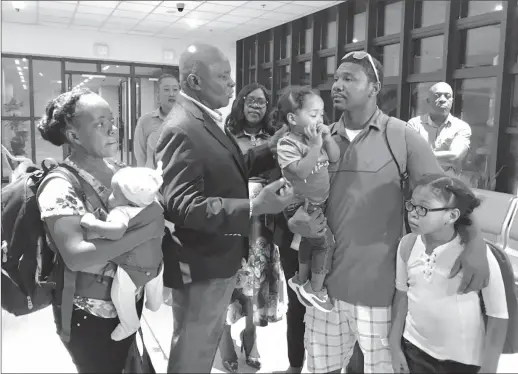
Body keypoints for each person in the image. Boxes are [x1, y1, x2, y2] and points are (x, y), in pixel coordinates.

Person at [295, 51, 490, 374]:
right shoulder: (321, 138)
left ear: (374, 87)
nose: (338, 86)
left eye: (349, 78)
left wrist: (477, 245)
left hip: (379, 291)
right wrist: (294, 220)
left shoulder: (401, 136)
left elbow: (451, 195)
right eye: (337, 79)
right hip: (324, 291)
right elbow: (304, 200)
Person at [154, 43, 294, 374]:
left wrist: (268, 150)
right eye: (224, 76)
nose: (232, 84)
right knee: (194, 347)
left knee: (201, 345)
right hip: (201, 263)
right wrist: (253, 205)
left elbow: (226, 166)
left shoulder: (204, 119)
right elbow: (182, 204)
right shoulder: (182, 127)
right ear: (194, 81)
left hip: (218, 256)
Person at [36, 88, 165, 373]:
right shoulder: (60, 184)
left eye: (112, 120)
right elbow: (77, 256)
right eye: (100, 124)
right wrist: (147, 231)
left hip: (127, 297)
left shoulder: (119, 169)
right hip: (89, 312)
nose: (113, 129)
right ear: (73, 136)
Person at [389, 174, 508, 373]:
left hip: (463, 360)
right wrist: (394, 345)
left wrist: (489, 368)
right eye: (411, 205)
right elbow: (401, 295)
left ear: (451, 216)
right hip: (415, 350)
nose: (413, 214)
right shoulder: (407, 245)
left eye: (423, 208)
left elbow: (498, 315)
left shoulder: (475, 256)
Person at [218, 82, 286, 372]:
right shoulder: (227, 137)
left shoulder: (276, 138)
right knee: (228, 281)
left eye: (262, 102)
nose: (257, 106)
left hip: (263, 224)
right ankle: (223, 340)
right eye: (252, 100)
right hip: (231, 221)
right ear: (241, 103)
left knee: (255, 285)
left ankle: (250, 336)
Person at [80, 162, 166, 341]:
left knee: (121, 295)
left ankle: (129, 324)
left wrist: (92, 223)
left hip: (132, 267)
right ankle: (155, 304)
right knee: (154, 284)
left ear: (129, 200)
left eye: (115, 194)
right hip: (156, 261)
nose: (111, 196)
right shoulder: (154, 204)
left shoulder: (121, 212)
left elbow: (116, 231)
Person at [273, 86, 339, 313]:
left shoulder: (317, 139)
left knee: (309, 243)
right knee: (325, 243)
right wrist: (315, 147)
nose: (319, 119)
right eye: (313, 115)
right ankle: (316, 289)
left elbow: (334, 158)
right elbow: (300, 172)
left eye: (321, 114)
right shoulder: (287, 143)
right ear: (293, 118)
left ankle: (301, 279)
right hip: (300, 205)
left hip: (317, 202)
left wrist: (327, 140)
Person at [408, 82, 471, 174]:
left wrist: (421, 155)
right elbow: (409, 156)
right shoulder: (413, 125)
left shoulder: (461, 127)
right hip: (419, 185)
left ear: (452, 101)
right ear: (428, 101)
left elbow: (455, 156)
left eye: (447, 96)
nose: (442, 100)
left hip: (448, 185)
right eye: (437, 95)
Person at [133, 73, 179, 168]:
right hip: (153, 179)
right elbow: (140, 155)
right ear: (158, 96)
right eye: (166, 89)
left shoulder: (187, 120)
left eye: (175, 89)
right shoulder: (145, 121)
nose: (172, 94)